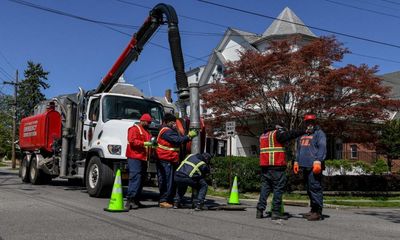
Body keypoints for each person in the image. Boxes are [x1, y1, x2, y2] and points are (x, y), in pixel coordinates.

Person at [256, 124, 304, 220]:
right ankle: (276, 212)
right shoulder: (276, 134)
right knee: (278, 189)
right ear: (277, 128)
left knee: (265, 188)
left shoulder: (263, 136)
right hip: (277, 166)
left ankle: (259, 211)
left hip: (265, 167)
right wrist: (302, 131)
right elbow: (290, 134)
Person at [155, 113, 197, 208]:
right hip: (165, 159)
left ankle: (169, 199)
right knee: (166, 180)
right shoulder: (166, 131)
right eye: (172, 122)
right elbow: (177, 140)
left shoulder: (169, 130)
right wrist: (189, 136)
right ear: (166, 122)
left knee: (170, 180)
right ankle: (163, 200)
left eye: (174, 122)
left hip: (170, 159)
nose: (174, 124)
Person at [294, 114, 326, 221]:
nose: (309, 124)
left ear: (315, 122)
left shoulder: (319, 134)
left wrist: (318, 161)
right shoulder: (302, 135)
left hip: (314, 166)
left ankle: (318, 212)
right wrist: (296, 161)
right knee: (309, 189)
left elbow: (322, 147)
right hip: (304, 166)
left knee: (315, 188)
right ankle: (313, 210)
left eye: (311, 122)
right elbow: (298, 149)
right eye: (308, 122)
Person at [125, 113, 153, 210]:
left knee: (141, 179)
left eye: (149, 122)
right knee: (135, 177)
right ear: (142, 120)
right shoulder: (134, 129)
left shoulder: (146, 131)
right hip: (134, 157)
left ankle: (136, 200)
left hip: (142, 158)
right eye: (148, 122)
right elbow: (132, 141)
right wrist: (144, 143)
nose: (149, 124)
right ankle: (130, 200)